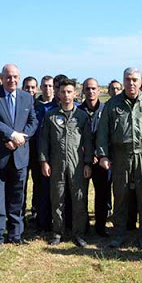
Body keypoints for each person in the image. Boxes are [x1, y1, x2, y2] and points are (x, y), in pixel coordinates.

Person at [97, 67, 142, 250]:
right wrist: (103, 155)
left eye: (134, 80)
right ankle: (119, 234)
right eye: (128, 79)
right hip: (121, 155)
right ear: (123, 81)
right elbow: (103, 132)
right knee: (121, 195)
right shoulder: (112, 104)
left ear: (140, 82)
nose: (131, 83)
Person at [0, 64, 38, 253]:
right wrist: (11, 135)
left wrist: (20, 139)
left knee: (17, 197)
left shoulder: (27, 97)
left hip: (19, 156)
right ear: (3, 78)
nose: (12, 80)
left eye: (15, 77)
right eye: (8, 77)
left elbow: (33, 121)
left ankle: (15, 234)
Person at [39, 79, 93, 247]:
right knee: (57, 198)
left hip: (77, 164)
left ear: (75, 93)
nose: (66, 95)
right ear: (58, 94)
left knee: (79, 199)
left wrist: (88, 163)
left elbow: (88, 142)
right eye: (63, 92)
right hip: (57, 163)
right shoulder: (51, 116)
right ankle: (57, 233)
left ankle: (79, 234)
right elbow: (44, 141)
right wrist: (44, 161)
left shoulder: (82, 117)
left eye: (69, 92)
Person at [79, 77, 112, 237]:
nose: (91, 92)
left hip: (102, 160)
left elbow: (110, 135)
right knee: (80, 194)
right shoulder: (77, 111)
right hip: (82, 161)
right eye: (87, 89)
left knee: (103, 195)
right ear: (83, 91)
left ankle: (100, 226)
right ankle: (82, 226)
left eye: (93, 88)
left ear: (99, 90)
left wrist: (101, 155)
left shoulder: (107, 110)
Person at [34, 76, 58, 234]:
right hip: (36, 152)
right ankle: (42, 223)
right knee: (40, 189)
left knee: (56, 190)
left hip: (56, 153)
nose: (48, 89)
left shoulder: (58, 105)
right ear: (40, 88)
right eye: (45, 86)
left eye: (50, 86)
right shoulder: (33, 105)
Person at [21, 75, 39, 222]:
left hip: (38, 151)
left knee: (38, 184)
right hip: (22, 149)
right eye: (27, 87)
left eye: (33, 87)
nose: (30, 90)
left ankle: (35, 211)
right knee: (21, 184)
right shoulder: (19, 104)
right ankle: (20, 214)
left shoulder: (40, 105)